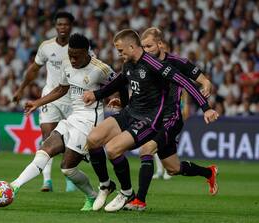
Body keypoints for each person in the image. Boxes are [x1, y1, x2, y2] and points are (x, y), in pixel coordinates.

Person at [83, 29, 219, 212]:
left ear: (132, 46)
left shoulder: (157, 65)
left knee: (118, 149)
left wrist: (206, 107)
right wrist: (96, 94)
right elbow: (121, 81)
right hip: (131, 112)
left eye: (121, 50)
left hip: (153, 118)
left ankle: (130, 195)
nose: (119, 54)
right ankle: (106, 185)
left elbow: (185, 82)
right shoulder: (129, 63)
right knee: (93, 139)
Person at [10, 33, 117, 211]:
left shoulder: (100, 68)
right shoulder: (67, 64)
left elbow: (119, 83)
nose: (72, 59)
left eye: (76, 56)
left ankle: (95, 193)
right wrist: (37, 102)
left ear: (86, 52)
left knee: (67, 169)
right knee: (45, 149)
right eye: (70, 54)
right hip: (73, 118)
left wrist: (118, 100)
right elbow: (61, 89)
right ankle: (14, 186)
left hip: (91, 122)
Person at [12, 12, 76, 192]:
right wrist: (21, 89)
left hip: (71, 99)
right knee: (47, 138)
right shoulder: (46, 47)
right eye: (59, 25)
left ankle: (69, 176)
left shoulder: (78, 46)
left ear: (71, 26)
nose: (62, 28)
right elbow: (33, 70)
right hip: (50, 96)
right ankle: (47, 180)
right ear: (56, 26)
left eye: (65, 24)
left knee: (69, 140)